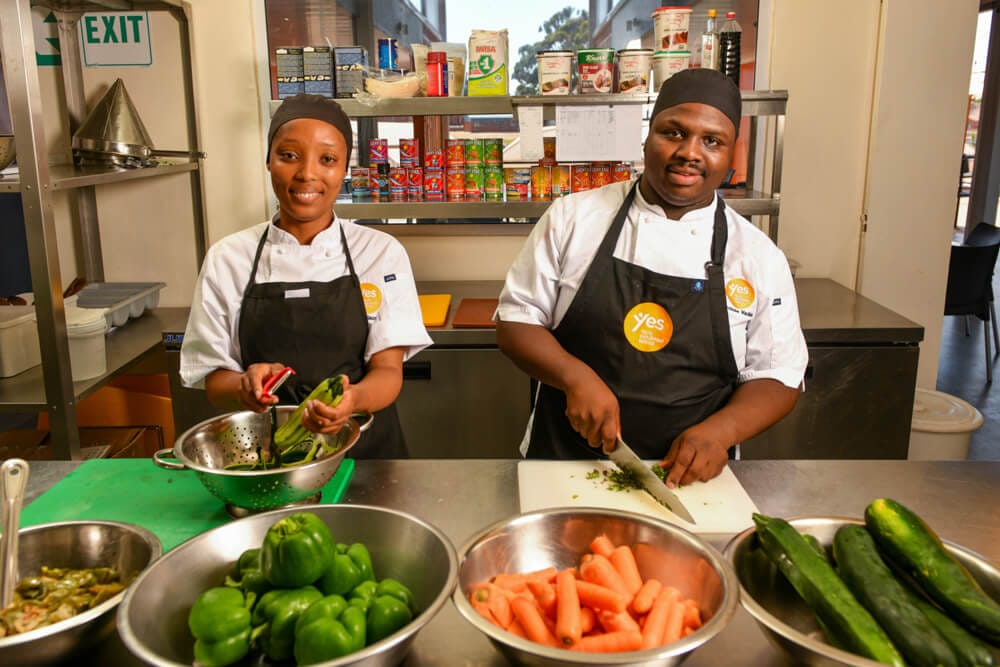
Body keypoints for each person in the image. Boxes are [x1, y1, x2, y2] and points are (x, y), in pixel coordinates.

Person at [496, 68, 808, 487]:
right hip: (563, 464)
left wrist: (723, 431)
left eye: (712, 141)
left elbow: (779, 375)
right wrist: (574, 377)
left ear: (731, 155)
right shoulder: (573, 218)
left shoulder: (757, 256)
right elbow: (516, 322)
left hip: (691, 478)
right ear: (647, 138)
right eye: (673, 133)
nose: (690, 152)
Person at [180, 93, 431, 458]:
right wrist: (244, 386)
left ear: (344, 169)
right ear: (269, 160)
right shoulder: (228, 258)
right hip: (268, 455)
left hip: (365, 451)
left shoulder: (379, 252)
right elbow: (216, 381)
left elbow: (389, 371)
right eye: (289, 155)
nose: (307, 174)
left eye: (327, 159)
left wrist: (352, 399)